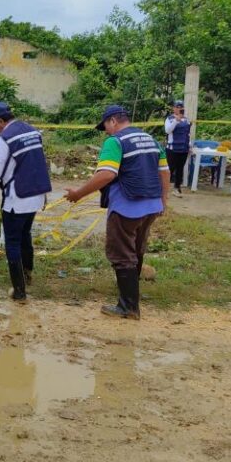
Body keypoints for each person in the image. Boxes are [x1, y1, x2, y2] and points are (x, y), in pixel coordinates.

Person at [64, 105, 170, 320]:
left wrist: (78, 194)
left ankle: (128, 307)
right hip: (151, 206)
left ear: (113, 121)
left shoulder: (115, 142)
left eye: (105, 126)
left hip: (126, 207)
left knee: (122, 254)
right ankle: (130, 296)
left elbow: (106, 175)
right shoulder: (151, 140)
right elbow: (165, 172)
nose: (105, 131)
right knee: (136, 250)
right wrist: (163, 202)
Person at [0, 101, 51, 302]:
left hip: (18, 198)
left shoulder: (4, 139)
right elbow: (39, 164)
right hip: (35, 195)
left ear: (0, 121)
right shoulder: (32, 132)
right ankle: (27, 274)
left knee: (13, 242)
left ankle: (19, 291)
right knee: (25, 233)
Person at [164, 100, 191, 198]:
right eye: (177, 107)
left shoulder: (187, 120)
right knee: (169, 169)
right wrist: (176, 120)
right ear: (174, 108)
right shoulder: (170, 119)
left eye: (181, 107)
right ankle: (164, 189)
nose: (179, 109)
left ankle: (177, 188)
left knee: (180, 169)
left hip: (183, 148)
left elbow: (188, 133)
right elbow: (168, 130)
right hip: (172, 148)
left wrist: (190, 145)